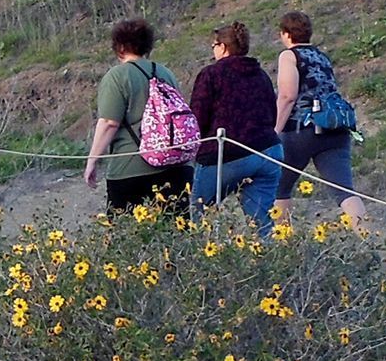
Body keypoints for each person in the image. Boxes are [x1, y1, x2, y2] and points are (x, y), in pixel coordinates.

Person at [271, 11, 368, 229]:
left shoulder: (289, 56)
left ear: (286, 34)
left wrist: (274, 130)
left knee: (280, 187)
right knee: (345, 191)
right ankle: (368, 241)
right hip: (335, 130)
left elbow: (287, 95)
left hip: (301, 129)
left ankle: (282, 246)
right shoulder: (323, 57)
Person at [84, 18, 192, 212]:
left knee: (127, 235)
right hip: (176, 167)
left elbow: (109, 122)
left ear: (121, 46)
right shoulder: (166, 73)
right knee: (176, 235)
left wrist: (92, 160)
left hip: (130, 171)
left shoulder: (117, 76)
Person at [188, 22, 285, 233]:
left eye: (214, 46)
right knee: (262, 226)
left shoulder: (211, 74)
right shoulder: (261, 75)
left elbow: (197, 119)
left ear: (222, 47)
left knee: (195, 215)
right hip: (267, 151)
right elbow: (272, 113)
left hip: (226, 155)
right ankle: (268, 261)